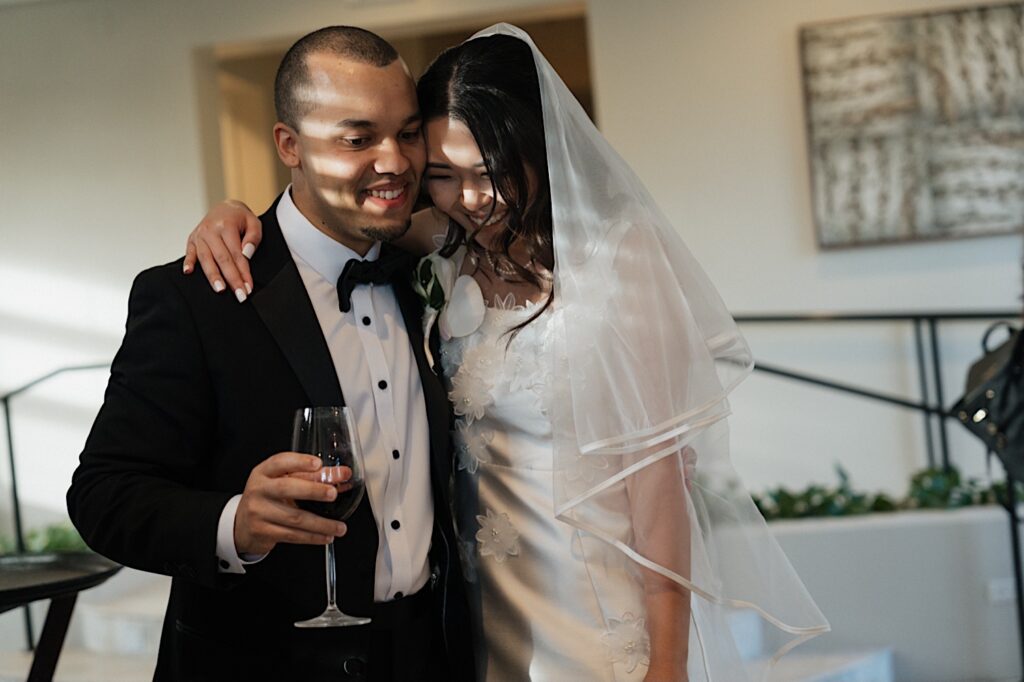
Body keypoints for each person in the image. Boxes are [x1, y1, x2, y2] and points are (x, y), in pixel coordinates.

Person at [185, 24, 831, 681]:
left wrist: (667, 663)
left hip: (588, 604)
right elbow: (323, 223)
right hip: (473, 614)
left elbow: (657, 485)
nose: (472, 199)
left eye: (492, 172)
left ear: (537, 149)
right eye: (442, 175)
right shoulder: (444, 242)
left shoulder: (619, 260)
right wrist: (234, 217)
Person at [67, 26, 475, 682]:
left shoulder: (430, 269)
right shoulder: (196, 297)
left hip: (430, 655)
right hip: (261, 662)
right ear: (290, 145)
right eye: (357, 137)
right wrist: (235, 522)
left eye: (406, 132)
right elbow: (103, 496)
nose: (395, 161)